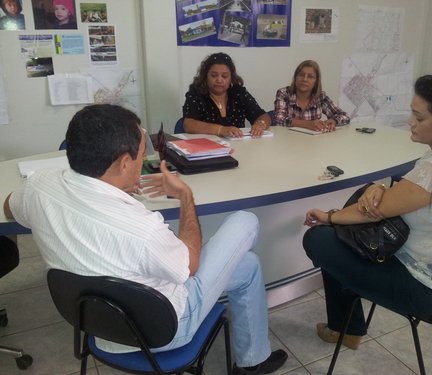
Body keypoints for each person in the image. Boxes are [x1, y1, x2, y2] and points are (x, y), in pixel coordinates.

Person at [3, 104, 288, 375]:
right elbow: (190, 266)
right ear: (125, 163)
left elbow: (9, 208)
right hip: (161, 329)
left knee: (247, 266)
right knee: (245, 221)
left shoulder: (39, 185)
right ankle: (249, 361)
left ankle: (253, 361)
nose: (144, 161)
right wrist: (185, 197)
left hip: (95, 324)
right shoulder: (142, 227)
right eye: (141, 155)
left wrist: (106, 197)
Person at [302, 73, 432, 350]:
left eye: (419, 118)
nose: (410, 122)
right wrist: (380, 188)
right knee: (344, 240)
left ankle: (347, 327)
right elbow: (402, 191)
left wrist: (328, 215)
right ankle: (347, 325)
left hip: (423, 290)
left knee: (320, 238)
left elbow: (374, 212)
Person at [182, 52, 272, 138]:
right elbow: (189, 124)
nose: (219, 80)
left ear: (231, 78)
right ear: (205, 76)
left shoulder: (238, 93)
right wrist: (220, 130)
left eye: (224, 76)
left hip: (239, 147)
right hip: (206, 149)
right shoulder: (196, 93)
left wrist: (260, 124)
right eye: (214, 75)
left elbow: (263, 116)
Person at [274, 60, 350, 132]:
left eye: (310, 76)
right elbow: (279, 119)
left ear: (316, 82)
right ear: (295, 77)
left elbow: (344, 116)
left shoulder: (320, 96)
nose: (305, 79)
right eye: (301, 75)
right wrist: (308, 124)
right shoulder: (284, 93)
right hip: (287, 141)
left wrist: (334, 121)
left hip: (313, 142)